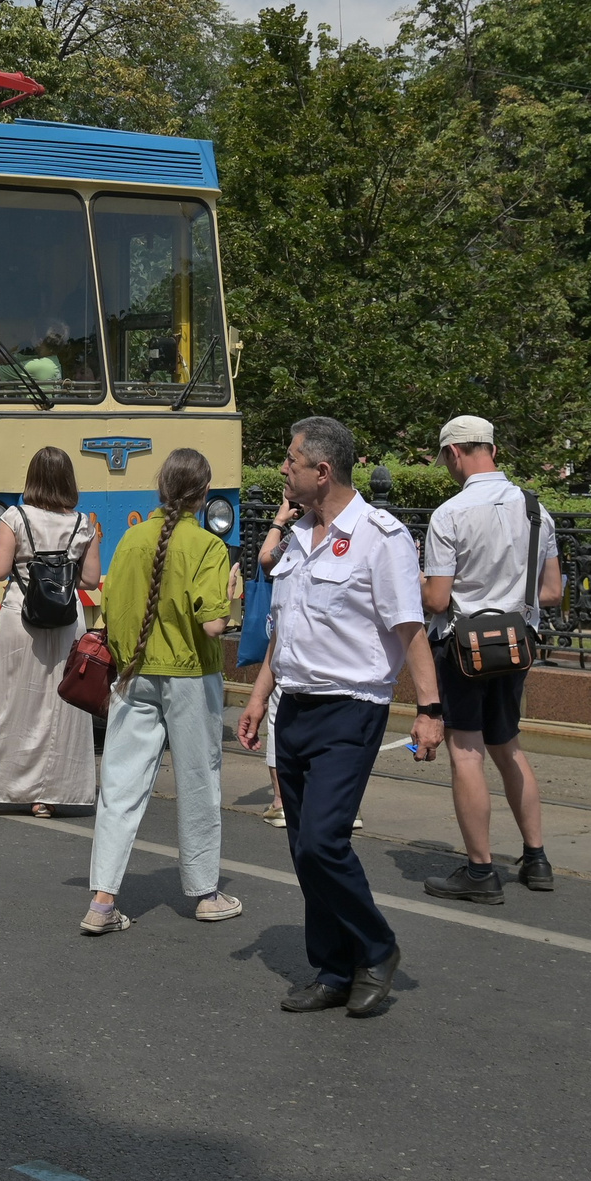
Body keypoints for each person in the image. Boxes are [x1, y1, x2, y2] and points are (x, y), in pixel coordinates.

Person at [236, 416, 440, 1019]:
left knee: (325, 840)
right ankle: (331, 967)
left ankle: (377, 949)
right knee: (303, 847)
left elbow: (410, 629)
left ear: (321, 471)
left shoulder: (383, 537)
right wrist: (257, 696)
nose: (282, 470)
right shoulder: (298, 535)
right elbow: (286, 628)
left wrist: (429, 710)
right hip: (293, 703)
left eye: (290, 461)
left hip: (351, 708)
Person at [83, 447, 240, 935]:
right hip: (191, 675)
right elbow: (214, 625)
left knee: (120, 787)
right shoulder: (208, 547)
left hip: (132, 674)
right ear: (204, 493)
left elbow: (109, 613)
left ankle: (102, 902)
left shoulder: (130, 539)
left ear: (160, 490)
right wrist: (233, 595)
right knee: (198, 781)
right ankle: (205, 893)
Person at [416, 416, 564, 904]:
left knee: (467, 751)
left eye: (444, 460)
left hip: (463, 647)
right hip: (517, 644)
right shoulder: (536, 509)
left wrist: (415, 581)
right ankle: (537, 858)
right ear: (492, 449)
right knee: (509, 745)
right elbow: (551, 591)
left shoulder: (450, 514)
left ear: (455, 453)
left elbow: (437, 601)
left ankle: (481, 872)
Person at [0, 447, 101, 819]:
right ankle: (52, 795)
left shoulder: (15, 516)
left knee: (5, 703)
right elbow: (91, 579)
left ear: (33, 478)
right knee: (62, 704)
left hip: (21, 617)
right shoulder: (83, 524)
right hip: (66, 619)